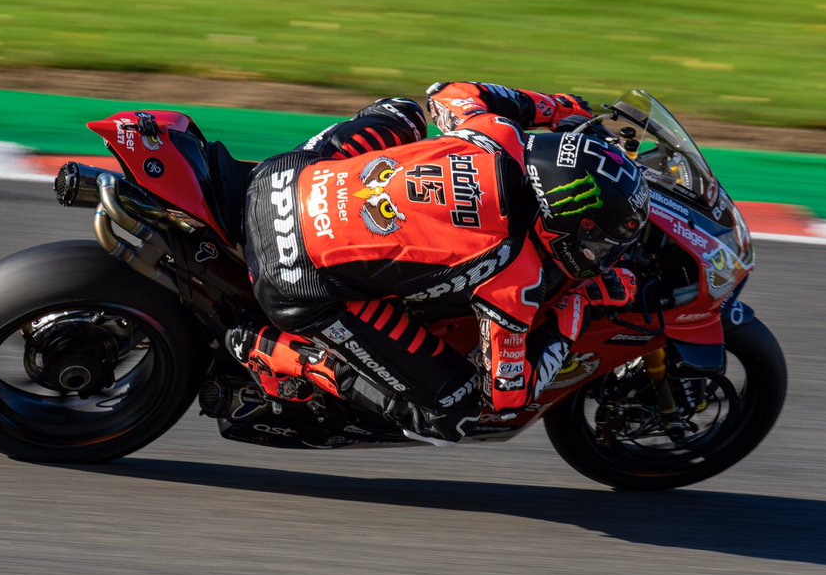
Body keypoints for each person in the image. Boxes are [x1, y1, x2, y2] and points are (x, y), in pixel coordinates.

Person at [228, 82, 650, 443]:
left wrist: (555, 108)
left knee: (403, 112)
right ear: (560, 221)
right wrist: (580, 305)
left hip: (280, 177)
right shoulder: (516, 273)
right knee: (456, 410)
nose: (600, 254)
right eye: (596, 242)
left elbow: (447, 93)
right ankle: (282, 354)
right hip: (294, 278)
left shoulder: (497, 132)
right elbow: (508, 396)